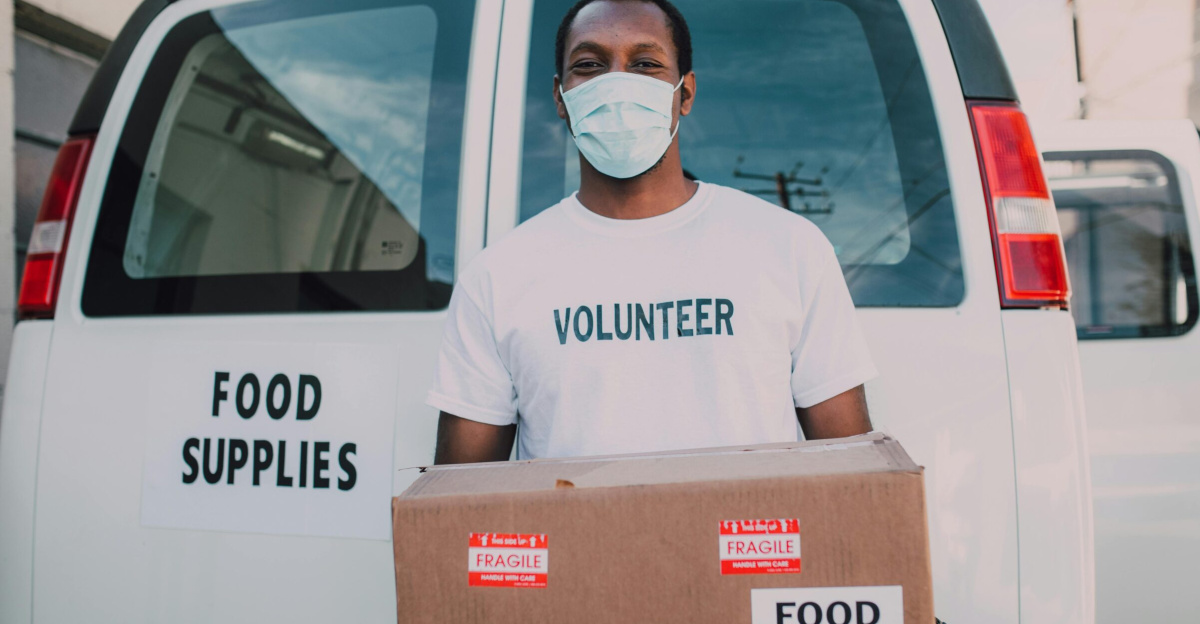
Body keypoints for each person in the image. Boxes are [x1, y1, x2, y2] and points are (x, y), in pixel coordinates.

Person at [428, 0, 876, 464]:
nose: (617, 84)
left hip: (743, 539)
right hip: (579, 540)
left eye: (645, 64)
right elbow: (461, 497)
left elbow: (852, 470)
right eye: (589, 65)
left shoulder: (789, 248)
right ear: (561, 98)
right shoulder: (498, 277)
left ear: (685, 93)